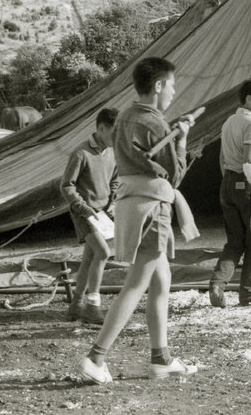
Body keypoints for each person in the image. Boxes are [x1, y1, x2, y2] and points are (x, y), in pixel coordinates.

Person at [79, 57, 199, 385]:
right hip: (153, 208)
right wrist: (182, 139)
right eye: (172, 85)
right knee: (136, 284)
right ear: (158, 85)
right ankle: (96, 357)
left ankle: (161, 360)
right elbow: (173, 177)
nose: (174, 92)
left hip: (131, 205)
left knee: (161, 282)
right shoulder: (155, 124)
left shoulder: (124, 118)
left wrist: (171, 134)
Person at [208, 79, 251, 308]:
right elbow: (249, 161)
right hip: (246, 183)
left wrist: (228, 182)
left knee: (234, 241)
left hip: (227, 182)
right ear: (249, 99)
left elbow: (221, 158)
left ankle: (217, 283)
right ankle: (249, 292)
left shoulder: (229, 121)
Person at [60, 107, 120, 324]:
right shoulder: (81, 153)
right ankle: (92, 305)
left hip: (102, 215)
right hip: (84, 214)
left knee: (89, 259)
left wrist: (112, 203)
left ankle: (75, 306)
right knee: (103, 253)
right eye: (115, 132)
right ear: (102, 128)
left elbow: (114, 180)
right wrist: (82, 207)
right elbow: (66, 186)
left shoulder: (112, 153)